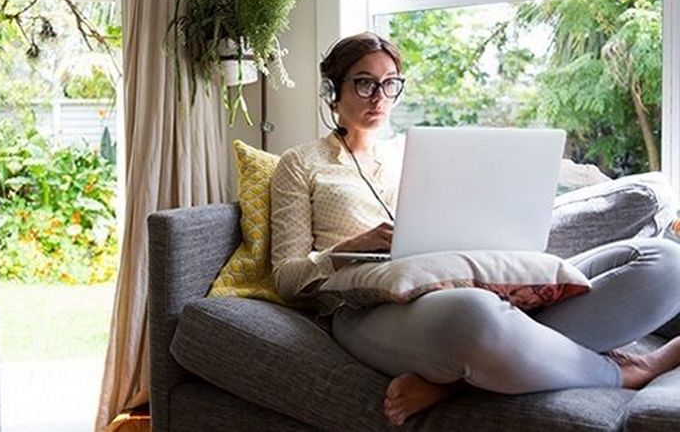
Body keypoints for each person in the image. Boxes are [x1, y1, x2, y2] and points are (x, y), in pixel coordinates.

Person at [269, 31, 680, 426]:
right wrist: (347, 248)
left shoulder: (417, 153)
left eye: (390, 84)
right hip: (372, 307)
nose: (379, 97)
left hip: (468, 279)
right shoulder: (300, 163)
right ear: (332, 91)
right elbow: (286, 278)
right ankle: (626, 371)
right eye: (364, 84)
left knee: (664, 261)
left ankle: (457, 382)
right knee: (475, 316)